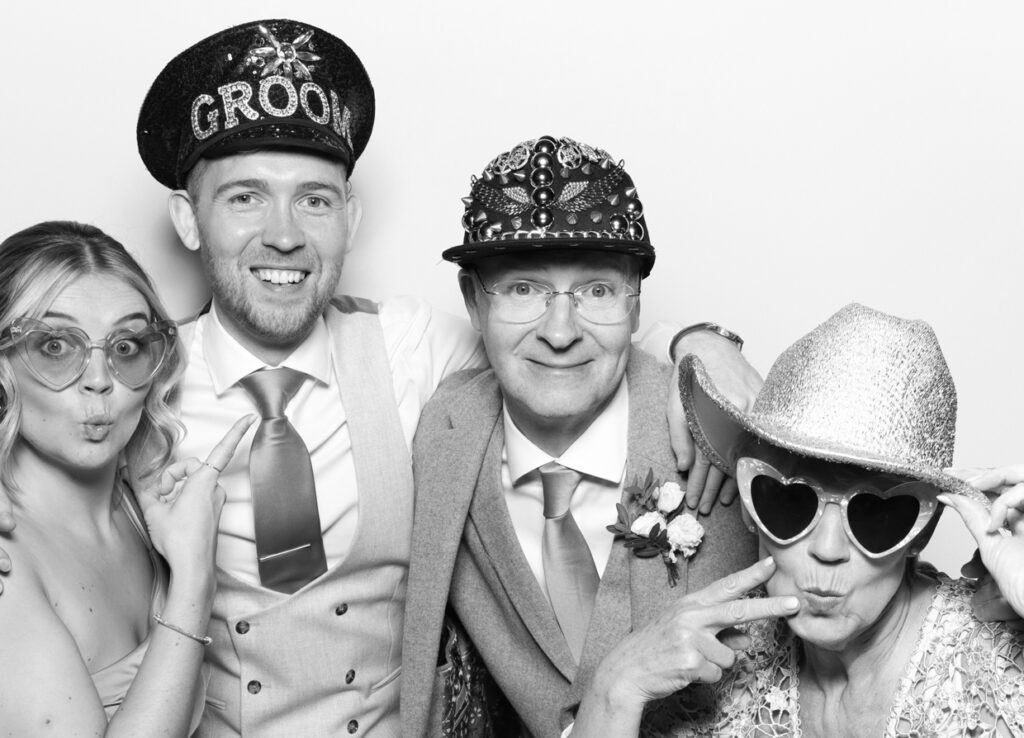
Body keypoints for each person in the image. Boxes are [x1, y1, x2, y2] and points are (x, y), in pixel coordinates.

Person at [0, 20, 759, 736]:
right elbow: (44, 412)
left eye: (316, 200)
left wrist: (697, 342)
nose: (286, 234)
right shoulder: (139, 380)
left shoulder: (410, 345)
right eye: (245, 198)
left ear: (351, 221)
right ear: (188, 220)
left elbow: (550, 336)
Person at [401, 136, 800, 737]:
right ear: (472, 303)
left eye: (597, 291)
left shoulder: (718, 430)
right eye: (523, 289)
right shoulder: (440, 428)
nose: (560, 331)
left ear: (635, 306)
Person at [599, 302, 1024, 736]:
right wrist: (614, 689)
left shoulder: (997, 658)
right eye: (789, 503)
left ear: (922, 530)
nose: (826, 550)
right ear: (750, 509)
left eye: (876, 514)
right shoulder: (725, 669)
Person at [0, 221, 252, 736]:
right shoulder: (6, 564)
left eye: (126, 346)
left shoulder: (147, 508)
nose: (99, 380)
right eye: (54, 346)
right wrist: (194, 582)